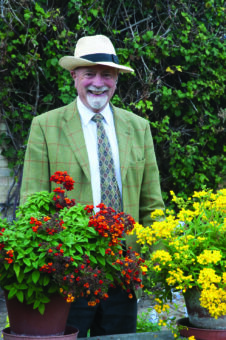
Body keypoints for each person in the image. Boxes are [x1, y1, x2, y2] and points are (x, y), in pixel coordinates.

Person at [20, 35, 164, 337]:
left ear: (116, 80)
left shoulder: (139, 128)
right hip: (69, 273)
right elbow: (31, 204)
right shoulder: (45, 126)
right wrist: (46, 265)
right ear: (74, 76)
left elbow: (153, 206)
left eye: (107, 74)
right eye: (89, 73)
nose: (98, 82)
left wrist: (158, 261)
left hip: (123, 272)